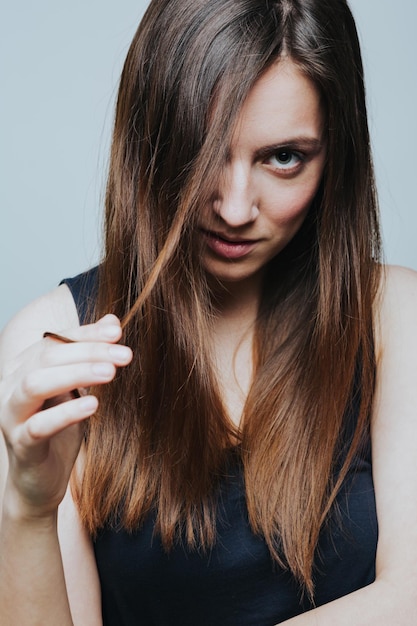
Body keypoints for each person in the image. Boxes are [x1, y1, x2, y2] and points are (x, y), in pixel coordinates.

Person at [1, 0, 417, 623]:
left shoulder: (393, 317)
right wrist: (27, 511)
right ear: (151, 137)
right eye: (203, 148)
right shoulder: (55, 342)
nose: (234, 207)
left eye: (283, 157)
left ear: (337, 156)